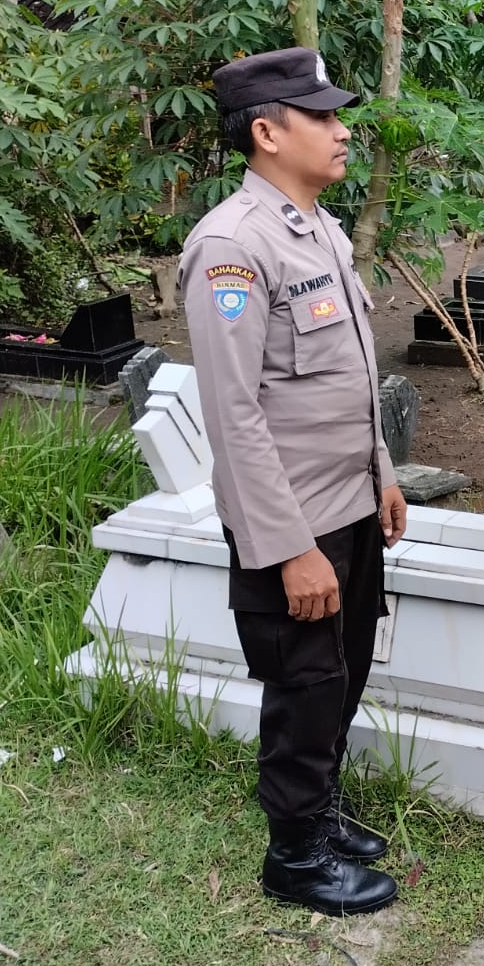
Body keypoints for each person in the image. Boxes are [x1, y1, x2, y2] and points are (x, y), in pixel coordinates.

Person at [179, 46, 407, 916]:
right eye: (322, 116)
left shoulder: (319, 230)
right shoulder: (232, 247)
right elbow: (234, 416)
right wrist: (286, 549)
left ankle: (322, 810)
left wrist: (382, 473)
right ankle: (295, 855)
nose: (342, 130)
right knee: (305, 685)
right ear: (268, 133)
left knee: (344, 670)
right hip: (293, 521)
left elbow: (350, 376)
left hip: (349, 503)